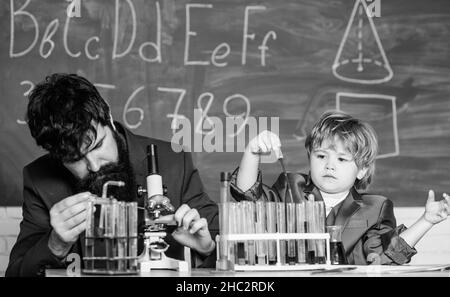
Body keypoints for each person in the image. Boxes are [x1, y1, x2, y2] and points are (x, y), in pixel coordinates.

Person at [6, 73, 218, 277]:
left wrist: (207, 248)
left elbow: (226, 248)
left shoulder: (172, 161)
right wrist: (56, 243)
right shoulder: (40, 181)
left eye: (97, 145)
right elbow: (16, 273)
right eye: (74, 159)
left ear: (107, 114)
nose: (94, 166)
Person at [230, 111, 450, 265]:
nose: (330, 165)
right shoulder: (291, 186)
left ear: (362, 170)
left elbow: (386, 256)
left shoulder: (375, 208)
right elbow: (249, 199)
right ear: (310, 157)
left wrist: (426, 221)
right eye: (321, 155)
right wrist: (252, 153)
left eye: (342, 159)